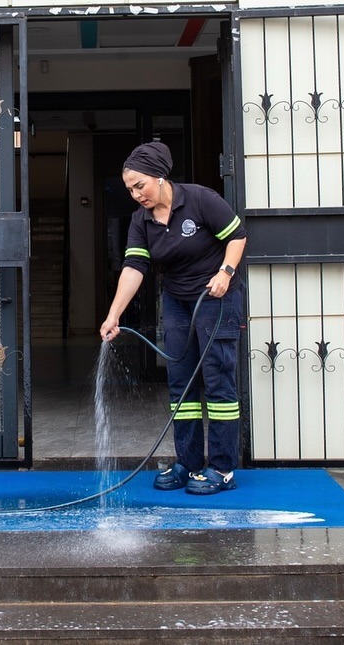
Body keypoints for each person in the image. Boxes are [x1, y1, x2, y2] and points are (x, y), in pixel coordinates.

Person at [99, 140, 247, 495]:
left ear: (160, 177)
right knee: (181, 384)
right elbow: (135, 267)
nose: (136, 195)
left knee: (217, 380)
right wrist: (113, 315)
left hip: (216, 298)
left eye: (140, 186)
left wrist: (225, 273)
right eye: (130, 189)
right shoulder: (141, 221)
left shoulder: (200, 199)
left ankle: (223, 468)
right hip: (178, 302)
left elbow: (237, 235)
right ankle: (190, 463)